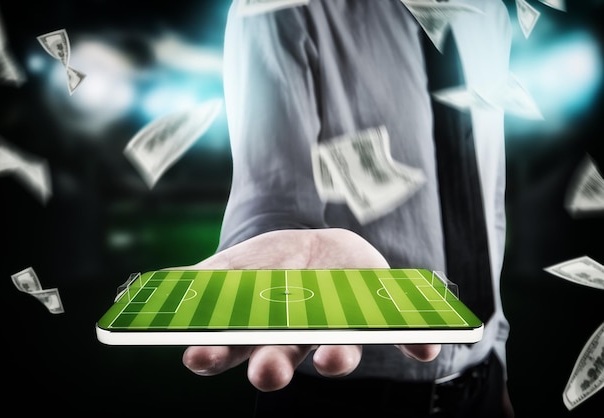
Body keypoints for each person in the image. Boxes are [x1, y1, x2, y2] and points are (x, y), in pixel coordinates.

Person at [179, 0, 514, 416]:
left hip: (481, 381)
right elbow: (269, 196)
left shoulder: (491, 13)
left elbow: (486, 200)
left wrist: (495, 355)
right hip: (344, 395)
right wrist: (275, 265)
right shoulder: (279, 8)